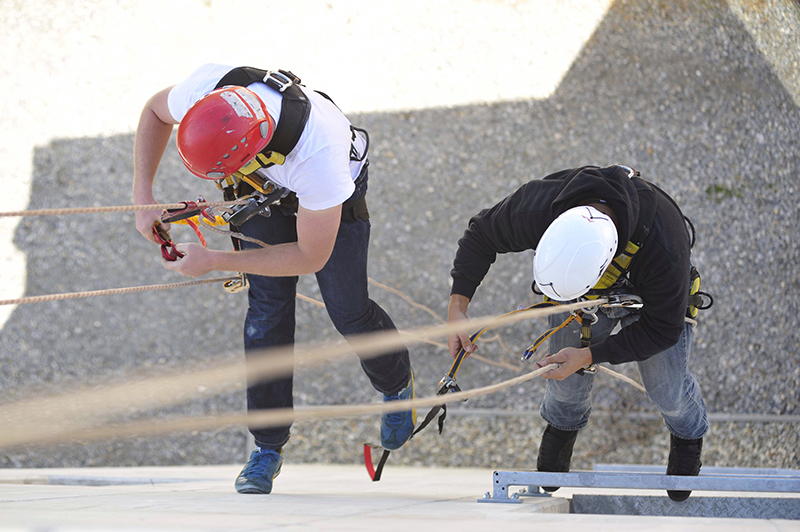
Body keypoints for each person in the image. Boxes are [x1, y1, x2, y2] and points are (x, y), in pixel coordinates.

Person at [132, 64, 415, 494]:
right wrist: (143, 197)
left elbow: (308, 256)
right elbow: (155, 111)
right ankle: (267, 446)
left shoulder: (320, 156)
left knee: (348, 309)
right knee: (266, 315)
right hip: (259, 186)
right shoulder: (209, 88)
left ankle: (397, 386)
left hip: (324, 198)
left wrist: (212, 261)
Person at [447, 164, 708, 502]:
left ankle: (688, 437)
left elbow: (663, 328)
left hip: (654, 303)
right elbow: (481, 234)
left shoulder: (663, 242)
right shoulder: (539, 207)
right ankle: (562, 428)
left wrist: (588, 355)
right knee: (564, 385)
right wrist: (458, 307)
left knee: (667, 389)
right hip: (581, 299)